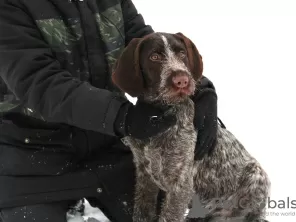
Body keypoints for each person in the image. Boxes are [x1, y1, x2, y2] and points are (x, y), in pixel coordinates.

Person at [0, 0, 219, 221]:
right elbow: (39, 81)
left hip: (109, 145)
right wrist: (121, 116)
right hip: (32, 154)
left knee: (195, 212)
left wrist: (200, 90)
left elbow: (146, 47)